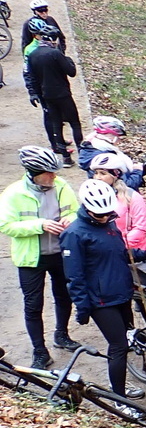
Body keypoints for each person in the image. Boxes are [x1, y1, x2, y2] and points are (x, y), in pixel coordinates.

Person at [60, 180, 146, 415]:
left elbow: (117, 253)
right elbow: (74, 276)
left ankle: (121, 386)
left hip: (122, 292)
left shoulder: (110, 225)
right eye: (99, 214)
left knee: (128, 339)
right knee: (118, 346)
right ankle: (119, 401)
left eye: (107, 213)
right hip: (100, 301)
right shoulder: (74, 234)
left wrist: (144, 253)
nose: (105, 217)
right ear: (87, 208)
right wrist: (82, 308)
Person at [0, 146, 79, 367]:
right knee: (33, 305)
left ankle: (61, 335)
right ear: (34, 173)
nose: (54, 176)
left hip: (60, 252)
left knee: (64, 295)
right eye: (49, 173)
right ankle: (39, 351)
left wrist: (69, 219)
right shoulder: (13, 193)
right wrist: (40, 225)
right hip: (30, 258)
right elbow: (6, 225)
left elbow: (75, 210)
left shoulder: (62, 186)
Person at [28, 26, 82, 167]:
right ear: (53, 39)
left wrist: (36, 95)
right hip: (63, 94)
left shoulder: (33, 54)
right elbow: (71, 71)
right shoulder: (55, 54)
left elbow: (32, 78)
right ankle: (82, 153)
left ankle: (65, 158)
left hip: (47, 95)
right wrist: (68, 59)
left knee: (56, 124)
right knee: (74, 123)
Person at [90, 153, 146, 250]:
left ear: (115, 175)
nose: (97, 177)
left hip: (129, 251)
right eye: (96, 173)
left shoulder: (132, 196)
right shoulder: (91, 195)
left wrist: (117, 245)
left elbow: (140, 228)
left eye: (103, 173)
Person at [78, 117, 146, 189]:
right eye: (117, 136)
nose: (119, 139)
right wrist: (137, 171)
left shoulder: (91, 149)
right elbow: (125, 186)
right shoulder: (104, 159)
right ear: (109, 136)